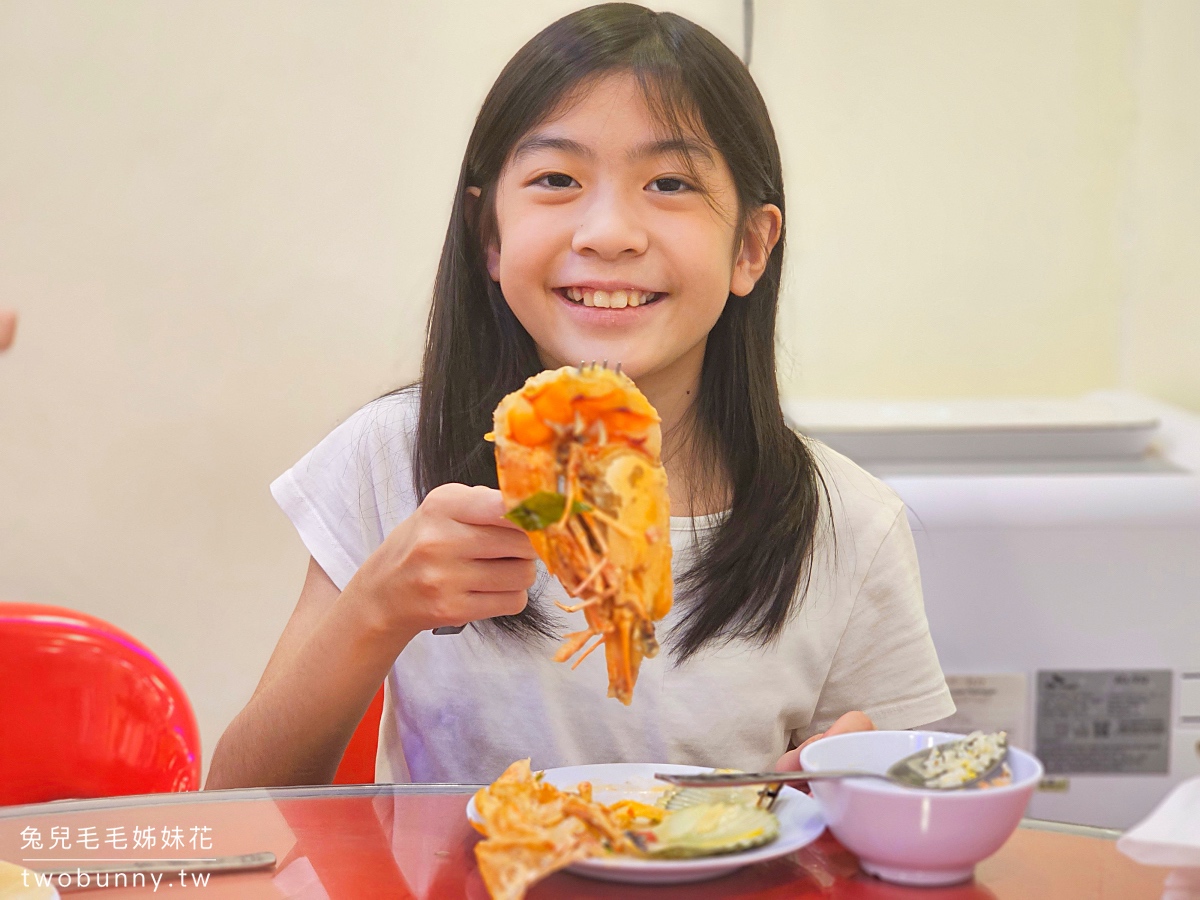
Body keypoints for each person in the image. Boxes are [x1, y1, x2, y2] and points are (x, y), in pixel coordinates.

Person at [206, 3, 953, 789]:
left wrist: (847, 795)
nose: (607, 232)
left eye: (669, 183)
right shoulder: (393, 457)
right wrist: (377, 608)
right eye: (556, 179)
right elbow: (239, 802)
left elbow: (911, 823)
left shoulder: (848, 527)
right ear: (488, 235)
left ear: (751, 247)